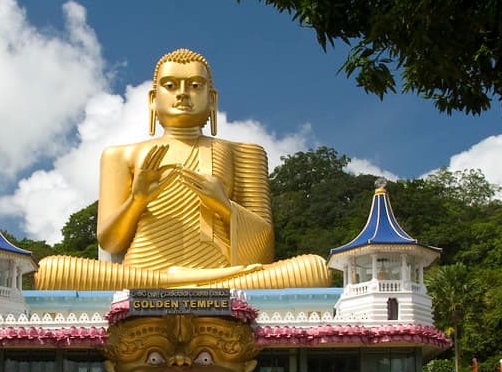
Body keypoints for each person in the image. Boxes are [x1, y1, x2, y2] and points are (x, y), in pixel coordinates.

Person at [35, 48, 330, 290]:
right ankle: (176, 282)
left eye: (195, 86)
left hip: (225, 275)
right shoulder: (121, 155)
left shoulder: (243, 153)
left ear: (212, 99)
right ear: (153, 99)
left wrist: (225, 207)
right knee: (50, 271)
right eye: (171, 85)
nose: (183, 94)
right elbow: (111, 241)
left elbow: (262, 253)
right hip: (143, 276)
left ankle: (182, 283)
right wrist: (137, 200)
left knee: (314, 270)